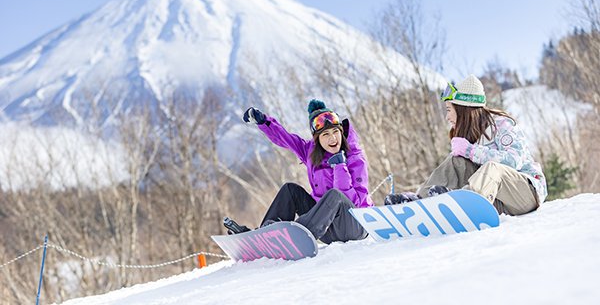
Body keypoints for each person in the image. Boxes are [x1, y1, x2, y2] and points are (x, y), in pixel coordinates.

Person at [385, 74, 547, 216]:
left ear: (463, 109)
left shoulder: (502, 124)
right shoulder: (472, 134)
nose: (447, 117)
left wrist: (471, 151)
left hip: (526, 194)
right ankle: (421, 203)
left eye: (449, 110)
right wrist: (466, 153)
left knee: (493, 167)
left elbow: (514, 161)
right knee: (456, 161)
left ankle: (465, 206)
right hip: (495, 199)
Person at [224, 99, 373, 244]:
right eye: (325, 135)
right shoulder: (311, 153)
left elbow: (354, 203)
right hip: (327, 228)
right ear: (318, 139)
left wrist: (340, 166)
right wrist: (263, 121)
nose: (332, 138)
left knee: (335, 195)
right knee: (290, 190)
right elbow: (286, 139)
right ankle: (266, 236)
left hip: (356, 224)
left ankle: (297, 236)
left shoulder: (355, 158)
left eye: (335, 132)